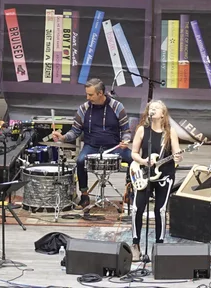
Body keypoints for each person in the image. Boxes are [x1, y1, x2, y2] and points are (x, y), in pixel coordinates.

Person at [52, 78, 132, 209]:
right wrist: (63, 137)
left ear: (100, 93)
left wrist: (126, 140)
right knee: (80, 161)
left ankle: (129, 193)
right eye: (87, 94)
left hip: (114, 146)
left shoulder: (117, 107)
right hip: (91, 146)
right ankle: (84, 195)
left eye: (90, 95)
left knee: (133, 160)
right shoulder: (83, 109)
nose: (87, 97)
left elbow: (126, 130)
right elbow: (75, 131)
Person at [129, 100, 182, 260]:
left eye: (156, 108)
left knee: (160, 210)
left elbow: (176, 153)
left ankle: (159, 244)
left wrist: (178, 156)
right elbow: (134, 153)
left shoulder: (170, 132)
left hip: (164, 175)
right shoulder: (142, 130)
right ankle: (135, 244)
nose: (153, 110)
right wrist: (144, 162)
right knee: (137, 209)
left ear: (163, 114)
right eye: (151, 108)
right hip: (144, 174)